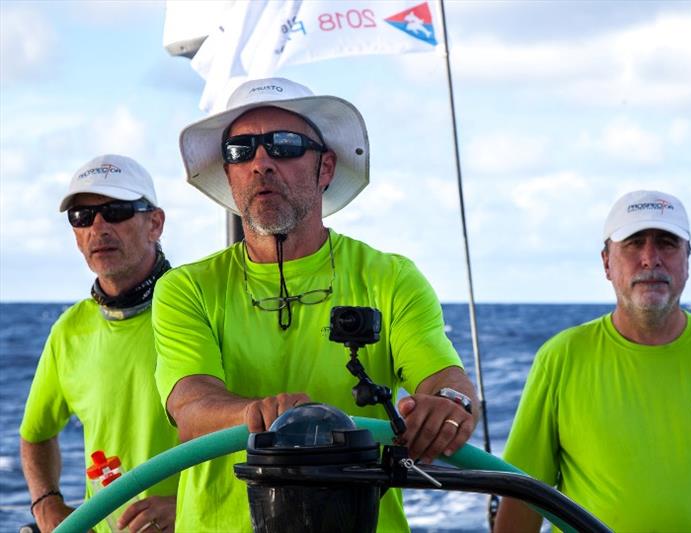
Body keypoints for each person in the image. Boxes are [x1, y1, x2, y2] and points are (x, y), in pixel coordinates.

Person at [152, 77, 477, 532]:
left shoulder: (392, 278)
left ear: (325, 168)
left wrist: (448, 404)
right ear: (229, 173)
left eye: (283, 145)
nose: (261, 162)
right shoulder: (187, 288)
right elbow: (191, 406)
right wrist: (256, 415)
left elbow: (445, 379)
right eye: (240, 151)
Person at [495, 190, 691, 533]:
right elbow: (522, 495)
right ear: (606, 262)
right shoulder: (560, 357)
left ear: (687, 261)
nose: (651, 258)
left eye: (667, 243)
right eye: (634, 243)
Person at [19, 155, 179, 533]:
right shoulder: (68, 330)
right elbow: (35, 436)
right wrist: (47, 505)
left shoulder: (203, 308)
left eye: (117, 211)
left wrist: (187, 504)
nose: (99, 228)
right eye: (82, 217)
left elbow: (255, 431)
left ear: (154, 223)